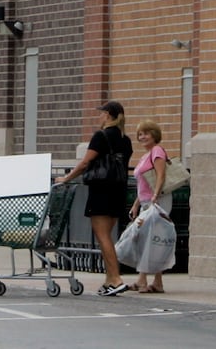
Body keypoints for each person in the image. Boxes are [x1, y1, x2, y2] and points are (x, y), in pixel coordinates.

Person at [55, 99, 132, 296]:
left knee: (102, 236)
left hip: (101, 190)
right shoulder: (126, 139)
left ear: (108, 115)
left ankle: (115, 278)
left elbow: (85, 163)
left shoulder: (101, 136)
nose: (99, 116)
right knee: (107, 235)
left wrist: (66, 178)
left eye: (101, 113)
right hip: (119, 190)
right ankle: (109, 279)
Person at [130, 119, 171, 293]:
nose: (142, 137)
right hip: (146, 201)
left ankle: (142, 279)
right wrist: (135, 205)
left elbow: (160, 176)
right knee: (151, 240)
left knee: (148, 239)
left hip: (157, 201)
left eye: (146, 133)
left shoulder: (157, 151)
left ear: (154, 135)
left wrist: (155, 196)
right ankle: (157, 282)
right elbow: (144, 183)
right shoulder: (145, 156)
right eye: (140, 134)